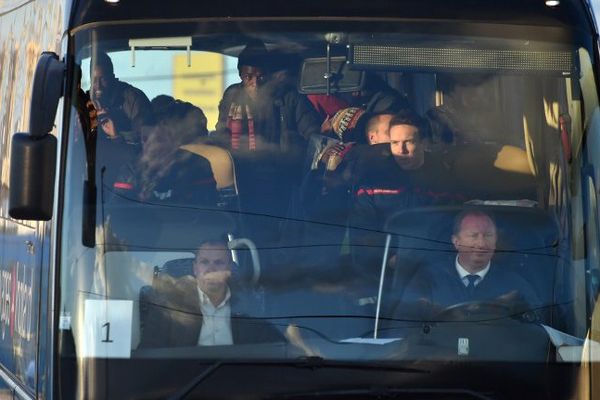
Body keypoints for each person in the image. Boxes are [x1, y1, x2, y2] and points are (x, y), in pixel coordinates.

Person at [349, 109, 465, 277]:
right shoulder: (373, 182)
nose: (400, 150)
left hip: (440, 270)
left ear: (424, 143)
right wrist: (389, 259)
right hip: (385, 275)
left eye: (408, 142)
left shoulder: (445, 181)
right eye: (395, 142)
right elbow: (362, 232)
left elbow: (455, 227)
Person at [395, 210, 542, 320]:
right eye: (473, 235)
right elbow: (401, 328)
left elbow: (537, 331)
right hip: (438, 358)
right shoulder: (427, 279)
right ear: (456, 241)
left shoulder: (515, 285)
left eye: (488, 235)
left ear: (496, 240)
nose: (481, 244)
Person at [140, 239, 283, 347]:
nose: (211, 269)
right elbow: (149, 357)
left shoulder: (250, 307)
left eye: (219, 262)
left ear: (230, 269)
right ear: (195, 269)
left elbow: (275, 348)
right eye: (205, 262)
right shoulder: (167, 308)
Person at [111, 96, 217, 207]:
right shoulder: (131, 171)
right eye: (145, 138)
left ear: (174, 140)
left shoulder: (198, 167)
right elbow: (118, 214)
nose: (150, 144)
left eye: (159, 139)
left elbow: (208, 212)